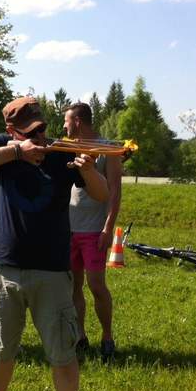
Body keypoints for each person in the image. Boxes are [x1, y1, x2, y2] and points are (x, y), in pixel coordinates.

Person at [0, 96, 109, 391]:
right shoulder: (3, 148)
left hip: (53, 270)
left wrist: (88, 170)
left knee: (63, 353)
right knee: (1, 348)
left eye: (41, 130)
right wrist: (16, 152)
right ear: (11, 130)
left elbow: (102, 194)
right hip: (5, 268)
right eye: (29, 133)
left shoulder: (61, 152)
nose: (38, 139)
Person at [63, 103, 122, 362]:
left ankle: (107, 337)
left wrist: (108, 227)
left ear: (77, 121)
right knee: (74, 286)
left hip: (94, 230)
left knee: (97, 286)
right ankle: (81, 336)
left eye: (67, 121)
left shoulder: (107, 149)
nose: (64, 126)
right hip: (68, 229)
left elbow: (116, 190)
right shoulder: (67, 146)